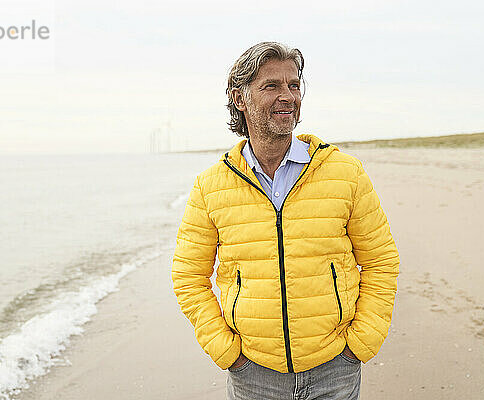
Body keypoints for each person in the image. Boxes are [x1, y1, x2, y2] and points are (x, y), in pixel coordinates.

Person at [171, 41, 399, 400]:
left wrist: (362, 341)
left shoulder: (344, 173)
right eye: (271, 86)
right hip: (254, 376)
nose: (288, 96)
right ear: (240, 98)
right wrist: (227, 352)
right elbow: (188, 276)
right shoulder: (210, 186)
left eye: (294, 85)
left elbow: (381, 260)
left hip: (335, 369)